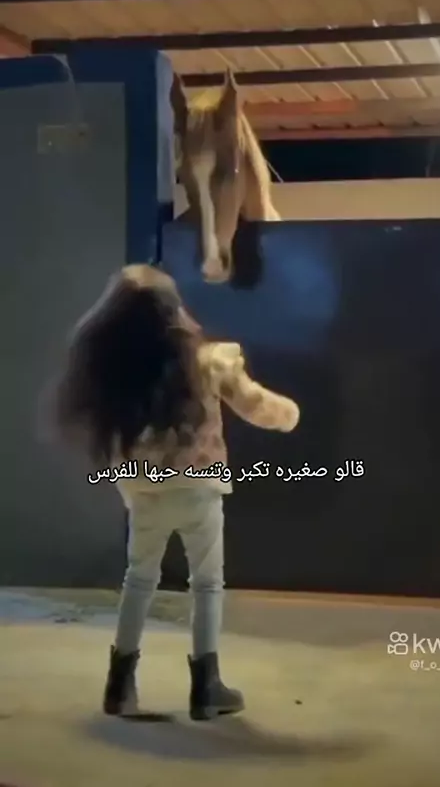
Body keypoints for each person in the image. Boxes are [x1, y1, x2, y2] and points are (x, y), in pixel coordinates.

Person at [49, 264, 300, 721]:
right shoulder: (209, 362)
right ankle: (206, 686)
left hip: (143, 492)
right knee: (206, 583)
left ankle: (119, 685)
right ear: (172, 309)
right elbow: (258, 407)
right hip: (197, 489)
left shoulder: (117, 368)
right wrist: (290, 414)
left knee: (139, 578)